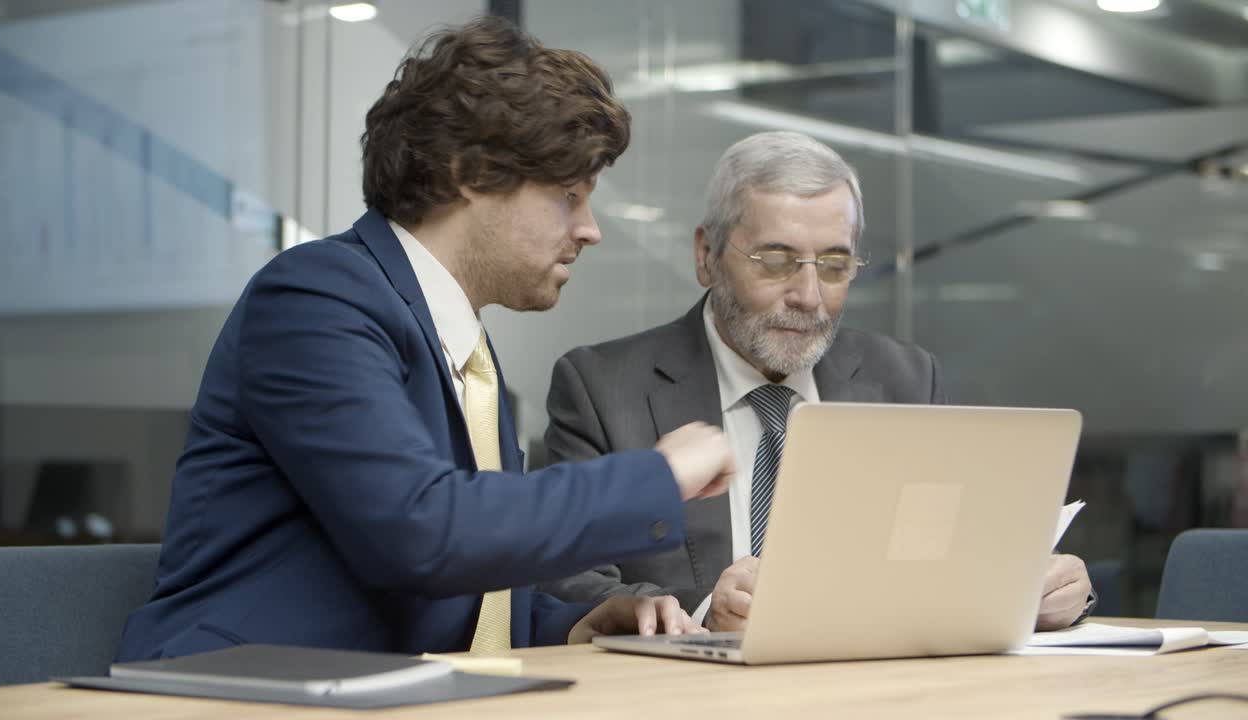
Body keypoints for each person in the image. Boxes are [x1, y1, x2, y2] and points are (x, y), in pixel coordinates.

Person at [117, 15, 736, 662]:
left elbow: (458, 594)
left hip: (385, 691)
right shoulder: (314, 297)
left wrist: (575, 622)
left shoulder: (464, 348)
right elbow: (423, 533)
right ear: (473, 173)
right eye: (569, 195)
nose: (590, 229)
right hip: (234, 690)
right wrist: (657, 476)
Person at [539, 130, 1094, 633]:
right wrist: (708, 613)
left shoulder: (904, 379)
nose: (809, 296)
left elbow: (956, 557)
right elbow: (568, 583)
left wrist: (1041, 589)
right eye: (777, 261)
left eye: (834, 265)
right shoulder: (602, 387)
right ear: (707, 255)